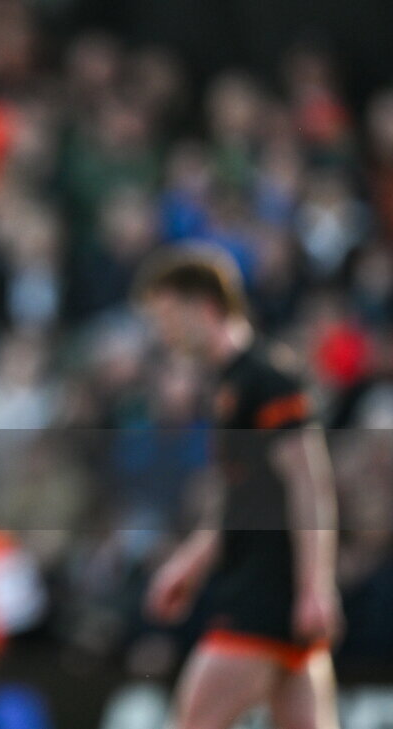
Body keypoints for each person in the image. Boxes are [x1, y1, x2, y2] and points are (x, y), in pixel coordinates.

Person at [136, 249, 342, 729]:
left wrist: (316, 586)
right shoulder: (227, 384)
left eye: (167, 316)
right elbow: (240, 496)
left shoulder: (268, 377)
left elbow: (310, 483)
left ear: (204, 306)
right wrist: (190, 561)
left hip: (264, 593)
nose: (163, 332)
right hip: (272, 593)